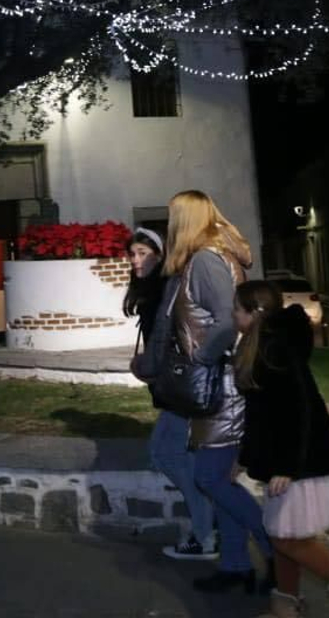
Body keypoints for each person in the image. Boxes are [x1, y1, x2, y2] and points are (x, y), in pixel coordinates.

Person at [145, 189, 273, 594]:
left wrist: (201, 360)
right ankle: (236, 566)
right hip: (220, 382)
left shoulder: (205, 260)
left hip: (221, 385)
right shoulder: (214, 256)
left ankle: (275, 549)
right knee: (216, 476)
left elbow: (225, 322)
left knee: (209, 477)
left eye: (173, 217)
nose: (169, 226)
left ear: (186, 220)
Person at [234, 280, 329, 618]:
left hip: (300, 460)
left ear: (253, 313)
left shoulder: (276, 349)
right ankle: (286, 606)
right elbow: (260, 415)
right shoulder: (261, 344)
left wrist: (287, 466)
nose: (232, 315)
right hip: (285, 459)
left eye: (236, 310)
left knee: (290, 539)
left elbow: (296, 410)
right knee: (282, 535)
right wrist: (244, 458)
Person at [125, 227, 218, 562]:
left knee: (168, 455)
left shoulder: (167, 287)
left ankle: (206, 534)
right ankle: (210, 525)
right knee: (174, 455)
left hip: (178, 387)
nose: (136, 260)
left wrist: (143, 366)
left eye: (143, 253)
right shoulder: (153, 290)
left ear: (160, 254)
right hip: (173, 388)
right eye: (132, 254)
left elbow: (164, 340)